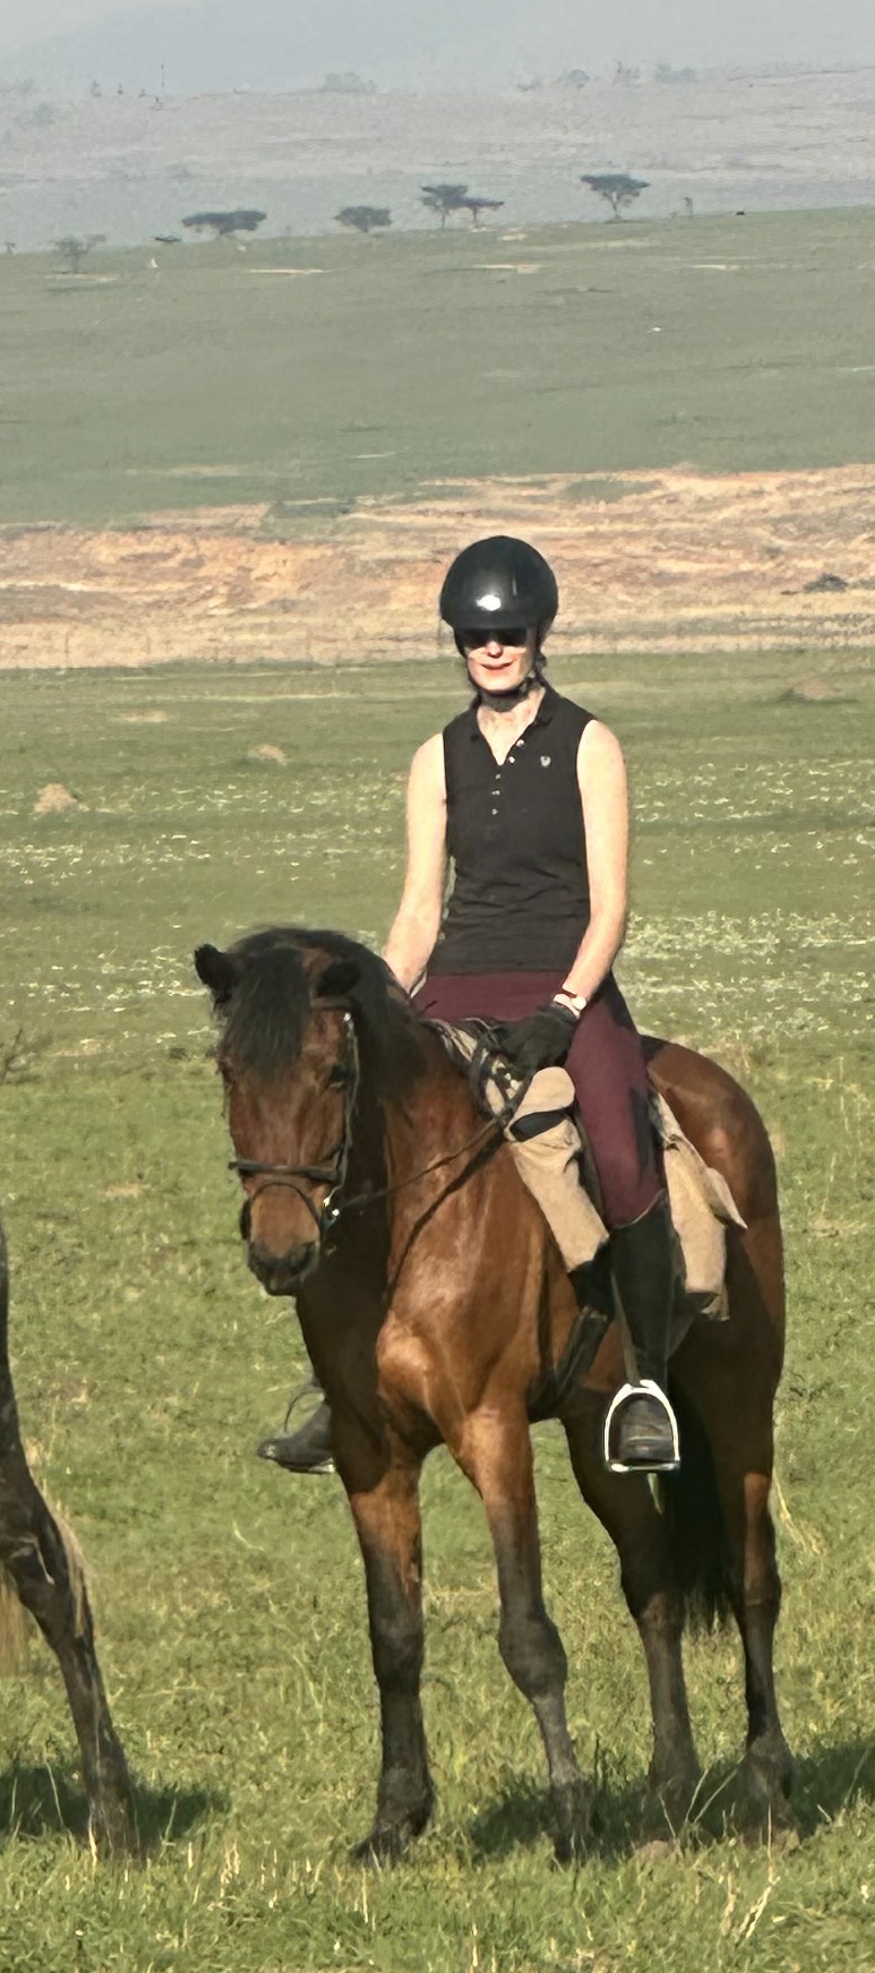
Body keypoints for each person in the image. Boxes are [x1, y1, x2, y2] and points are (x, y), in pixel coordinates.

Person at [263, 534, 679, 1480]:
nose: (492, 649)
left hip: (567, 984)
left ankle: (643, 1384)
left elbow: (611, 901)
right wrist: (386, 1003)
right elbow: (419, 908)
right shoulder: (435, 758)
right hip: (459, 980)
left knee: (617, 1148)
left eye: (509, 632)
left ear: (540, 634)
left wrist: (569, 1010)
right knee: (369, 1143)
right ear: (456, 644)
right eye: (474, 635)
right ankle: (349, 1388)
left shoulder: (589, 744)